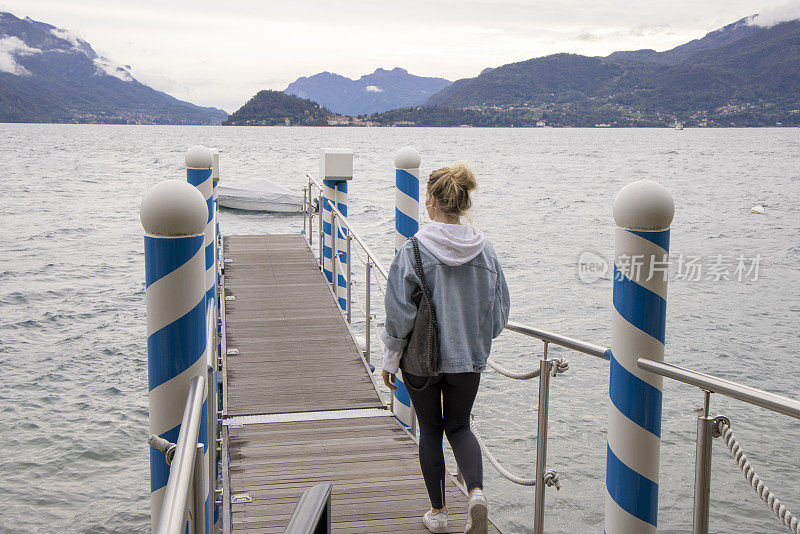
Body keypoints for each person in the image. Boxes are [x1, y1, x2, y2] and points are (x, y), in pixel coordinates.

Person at [381, 162, 511, 534]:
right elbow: (499, 313)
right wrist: (473, 337)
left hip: (422, 361)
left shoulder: (413, 250)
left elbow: (399, 312)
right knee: (459, 426)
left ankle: (438, 514)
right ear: (463, 201)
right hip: (467, 361)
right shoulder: (485, 252)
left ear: (432, 200)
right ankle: (475, 494)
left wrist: (390, 358)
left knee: (431, 432)